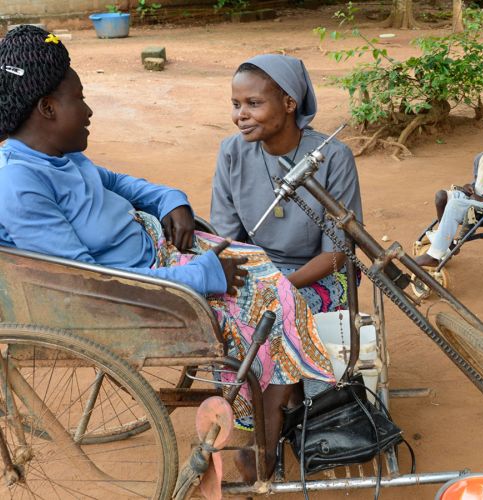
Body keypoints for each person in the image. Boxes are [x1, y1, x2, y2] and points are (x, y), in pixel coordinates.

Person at [0, 25, 333, 481]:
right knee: (268, 303)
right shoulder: (20, 185)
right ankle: (263, 427)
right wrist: (202, 274)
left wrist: (170, 199)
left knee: (265, 272)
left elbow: (123, 184)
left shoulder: (61, 156)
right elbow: (90, 286)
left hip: (161, 256)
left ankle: (281, 396)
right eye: (81, 98)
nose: (90, 109)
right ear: (48, 108)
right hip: (142, 291)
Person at [211, 54, 363, 315]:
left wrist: (279, 288)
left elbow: (337, 253)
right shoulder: (231, 152)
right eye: (236, 104)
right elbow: (225, 237)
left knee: (276, 315)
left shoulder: (333, 156)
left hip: (320, 274)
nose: (240, 116)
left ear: (289, 103)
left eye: (254, 103)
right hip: (259, 269)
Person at [415, 105, 483, 268]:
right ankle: (446, 241)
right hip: (476, 200)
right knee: (442, 196)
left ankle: (435, 255)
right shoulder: (481, 157)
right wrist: (469, 187)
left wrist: (480, 198)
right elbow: (480, 184)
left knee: (454, 204)